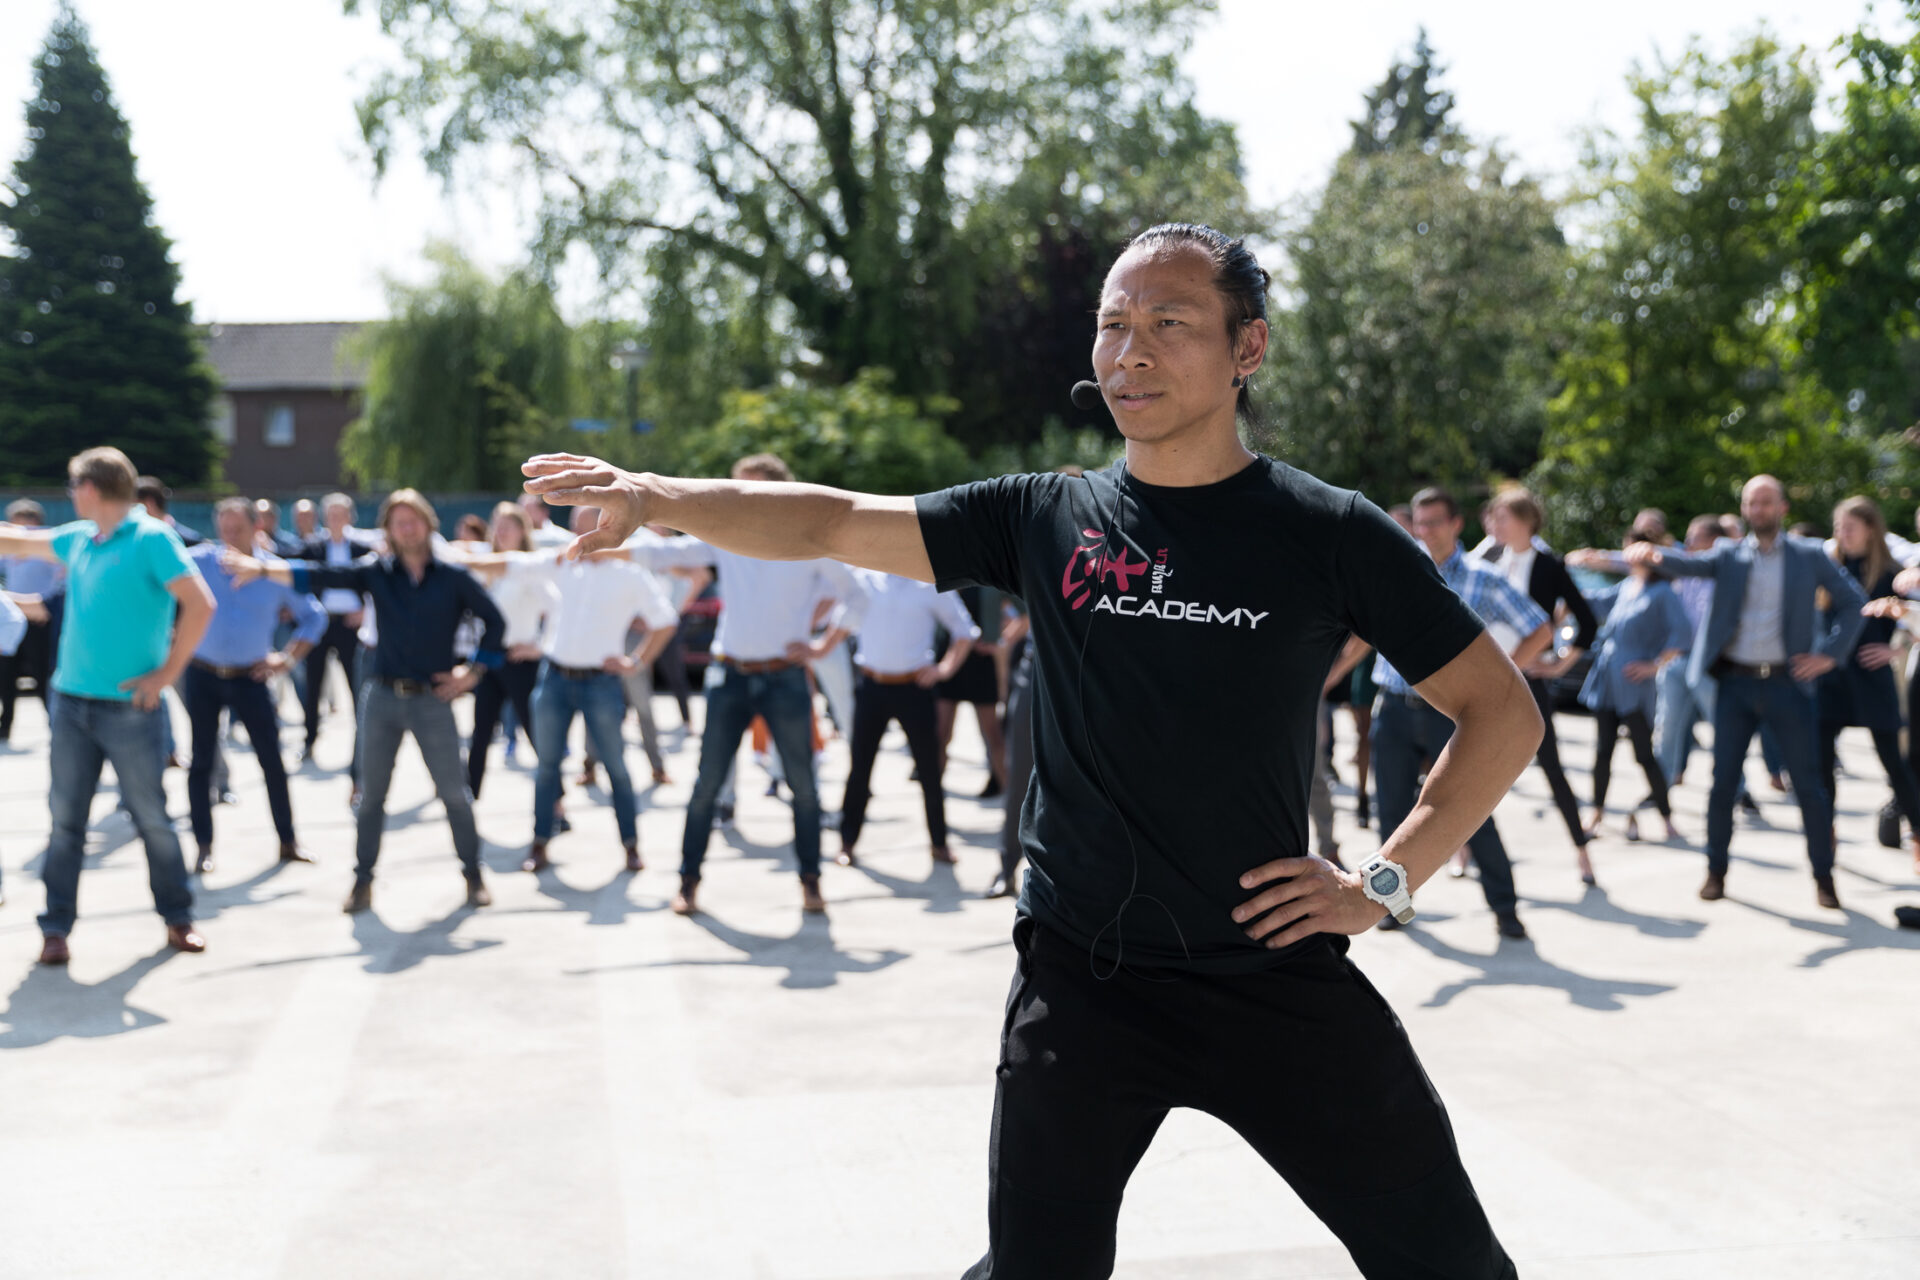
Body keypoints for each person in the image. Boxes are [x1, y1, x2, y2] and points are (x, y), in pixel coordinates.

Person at [523, 222, 1535, 1279]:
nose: (1129, 350)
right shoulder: (1048, 517)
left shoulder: (1329, 532)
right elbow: (828, 521)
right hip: (1083, 981)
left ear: (1249, 349)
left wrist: (1381, 881)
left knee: (1454, 1267)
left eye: (1170, 322)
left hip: (1271, 976)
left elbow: (1499, 710)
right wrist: (653, 498)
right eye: (1112, 323)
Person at [612, 453, 870, 919]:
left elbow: (857, 596)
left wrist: (821, 644)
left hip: (785, 678)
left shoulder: (809, 542)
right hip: (729, 675)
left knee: (804, 787)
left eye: (746, 488)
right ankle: (688, 882)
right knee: (707, 784)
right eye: (734, 488)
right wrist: (611, 545)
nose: (735, 499)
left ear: (779, 491)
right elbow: (670, 553)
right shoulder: (724, 537)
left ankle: (811, 882)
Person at [234, 490, 506, 914]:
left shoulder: (453, 577)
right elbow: (320, 575)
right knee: (371, 796)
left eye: (413, 519)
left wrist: (471, 672)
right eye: (398, 522)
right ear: (388, 531)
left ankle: (473, 873)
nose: (407, 528)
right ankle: (362, 880)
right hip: (380, 697)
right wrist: (264, 568)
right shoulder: (375, 573)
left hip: (432, 700)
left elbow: (496, 622)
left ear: (427, 523)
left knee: (455, 793)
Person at [0, 447, 215, 963]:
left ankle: (177, 916)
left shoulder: (151, 538)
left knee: (152, 819)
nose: (70, 494)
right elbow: (20, 542)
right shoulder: (80, 539)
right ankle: (55, 929)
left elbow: (200, 603)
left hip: (130, 709)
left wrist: (166, 674)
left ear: (92, 487)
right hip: (71, 704)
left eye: (74, 485)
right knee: (65, 820)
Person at [1624, 475, 1865, 909]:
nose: (1758, 510)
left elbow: (1853, 602)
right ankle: (1715, 872)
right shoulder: (1729, 555)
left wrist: (1829, 655)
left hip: (1788, 686)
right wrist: (1653, 553)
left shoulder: (1808, 556)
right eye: (1751, 503)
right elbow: (1686, 564)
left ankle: (1824, 878)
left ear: (1782, 508)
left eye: (1766, 502)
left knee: (1809, 787)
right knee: (1722, 784)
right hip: (1734, 683)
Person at [1371, 486, 1549, 940]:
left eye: (1434, 521)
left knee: (1472, 814)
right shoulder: (1392, 567)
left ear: (1456, 525)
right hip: (1392, 706)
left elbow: (1540, 627)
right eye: (1419, 522)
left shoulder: (1482, 578)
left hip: (1451, 715)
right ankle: (1393, 905)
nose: (1425, 530)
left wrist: (1503, 678)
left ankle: (1505, 910)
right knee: (1391, 814)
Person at [501, 507, 679, 874]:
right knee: (547, 766)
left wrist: (636, 661)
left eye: (589, 530)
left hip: (600, 682)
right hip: (555, 678)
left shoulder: (630, 574)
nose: (581, 540)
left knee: (616, 766)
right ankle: (540, 842)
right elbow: (511, 564)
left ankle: (630, 845)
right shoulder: (564, 564)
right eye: (577, 531)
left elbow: (664, 621)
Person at [185, 498, 327, 874]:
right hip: (202, 673)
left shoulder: (274, 571)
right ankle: (202, 845)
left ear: (256, 528)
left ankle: (287, 840)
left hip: (251, 677)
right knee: (201, 762)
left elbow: (313, 617)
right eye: (225, 529)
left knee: (272, 761)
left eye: (238, 529)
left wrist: (287, 657)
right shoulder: (198, 562)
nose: (230, 537)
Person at [1478, 487, 1600, 880]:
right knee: (1471, 768)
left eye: (1503, 517)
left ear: (1527, 520)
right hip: (1490, 680)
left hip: (1529, 681)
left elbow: (1587, 621)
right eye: (1493, 517)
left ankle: (1582, 852)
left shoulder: (1549, 565)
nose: (1495, 524)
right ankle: (1463, 852)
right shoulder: (1490, 559)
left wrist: (1562, 666)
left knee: (1551, 765)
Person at [834, 569, 979, 868]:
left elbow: (964, 632)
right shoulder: (863, 579)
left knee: (929, 769)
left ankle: (939, 842)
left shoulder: (928, 584)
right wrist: (818, 648)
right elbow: (841, 622)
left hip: (914, 689)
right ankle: (847, 842)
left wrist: (943, 669)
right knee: (860, 767)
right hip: (871, 687)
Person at [1817, 497, 1920, 869]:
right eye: (1838, 527)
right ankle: (1824, 835)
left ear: (1871, 529)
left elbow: (1914, 621)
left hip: (1873, 678)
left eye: (1850, 527)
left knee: (1895, 763)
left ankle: (1918, 837)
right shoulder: (1830, 571)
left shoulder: (1893, 571)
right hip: (1832, 678)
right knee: (1821, 762)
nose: (1842, 534)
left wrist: (1896, 648)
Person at [1576, 532, 1692, 853]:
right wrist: (1566, 586)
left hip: (1634, 684)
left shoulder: (1663, 592)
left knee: (1643, 754)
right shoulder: (1627, 586)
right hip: (1606, 679)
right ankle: (1596, 813)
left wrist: (1655, 665)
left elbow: (1683, 633)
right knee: (1602, 751)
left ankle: (1667, 816)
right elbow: (1595, 602)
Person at [462, 501, 549, 799]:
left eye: (508, 525)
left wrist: (538, 647)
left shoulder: (530, 567)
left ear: (522, 531)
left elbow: (559, 608)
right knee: (480, 733)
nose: (500, 530)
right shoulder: (485, 567)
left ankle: (557, 804)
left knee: (535, 733)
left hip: (519, 660)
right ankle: (467, 800)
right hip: (488, 661)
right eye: (496, 524)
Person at [298, 493, 376, 763]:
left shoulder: (363, 548)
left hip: (350, 624)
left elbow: (375, 584)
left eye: (341, 514)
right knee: (313, 684)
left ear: (350, 517)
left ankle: (364, 744)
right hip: (321, 622)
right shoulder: (313, 546)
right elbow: (299, 578)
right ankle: (309, 740)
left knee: (357, 685)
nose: (336, 520)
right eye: (331, 515)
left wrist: (364, 610)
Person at [1, 498, 65, 742]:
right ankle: (5, 725)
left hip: (39, 619)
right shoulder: (10, 552)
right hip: (12, 619)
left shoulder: (47, 550)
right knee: (5, 674)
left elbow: (58, 582)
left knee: (42, 675)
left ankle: (55, 725)